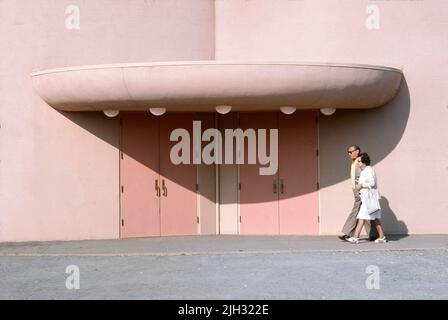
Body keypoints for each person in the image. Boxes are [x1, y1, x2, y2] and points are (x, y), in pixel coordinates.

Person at [347, 153, 387, 244]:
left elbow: (372, 183)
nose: (358, 163)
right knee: (374, 218)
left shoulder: (368, 170)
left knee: (362, 217)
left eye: (359, 161)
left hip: (370, 198)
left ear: (364, 162)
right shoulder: (364, 170)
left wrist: (361, 185)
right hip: (367, 198)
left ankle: (355, 237)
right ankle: (382, 236)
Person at [338, 145, 372, 241]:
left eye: (351, 151)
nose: (349, 154)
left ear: (357, 151)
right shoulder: (354, 162)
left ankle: (349, 233)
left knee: (356, 211)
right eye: (348, 152)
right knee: (366, 212)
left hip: (359, 190)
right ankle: (375, 233)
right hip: (356, 190)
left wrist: (360, 188)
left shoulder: (359, 161)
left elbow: (364, 175)